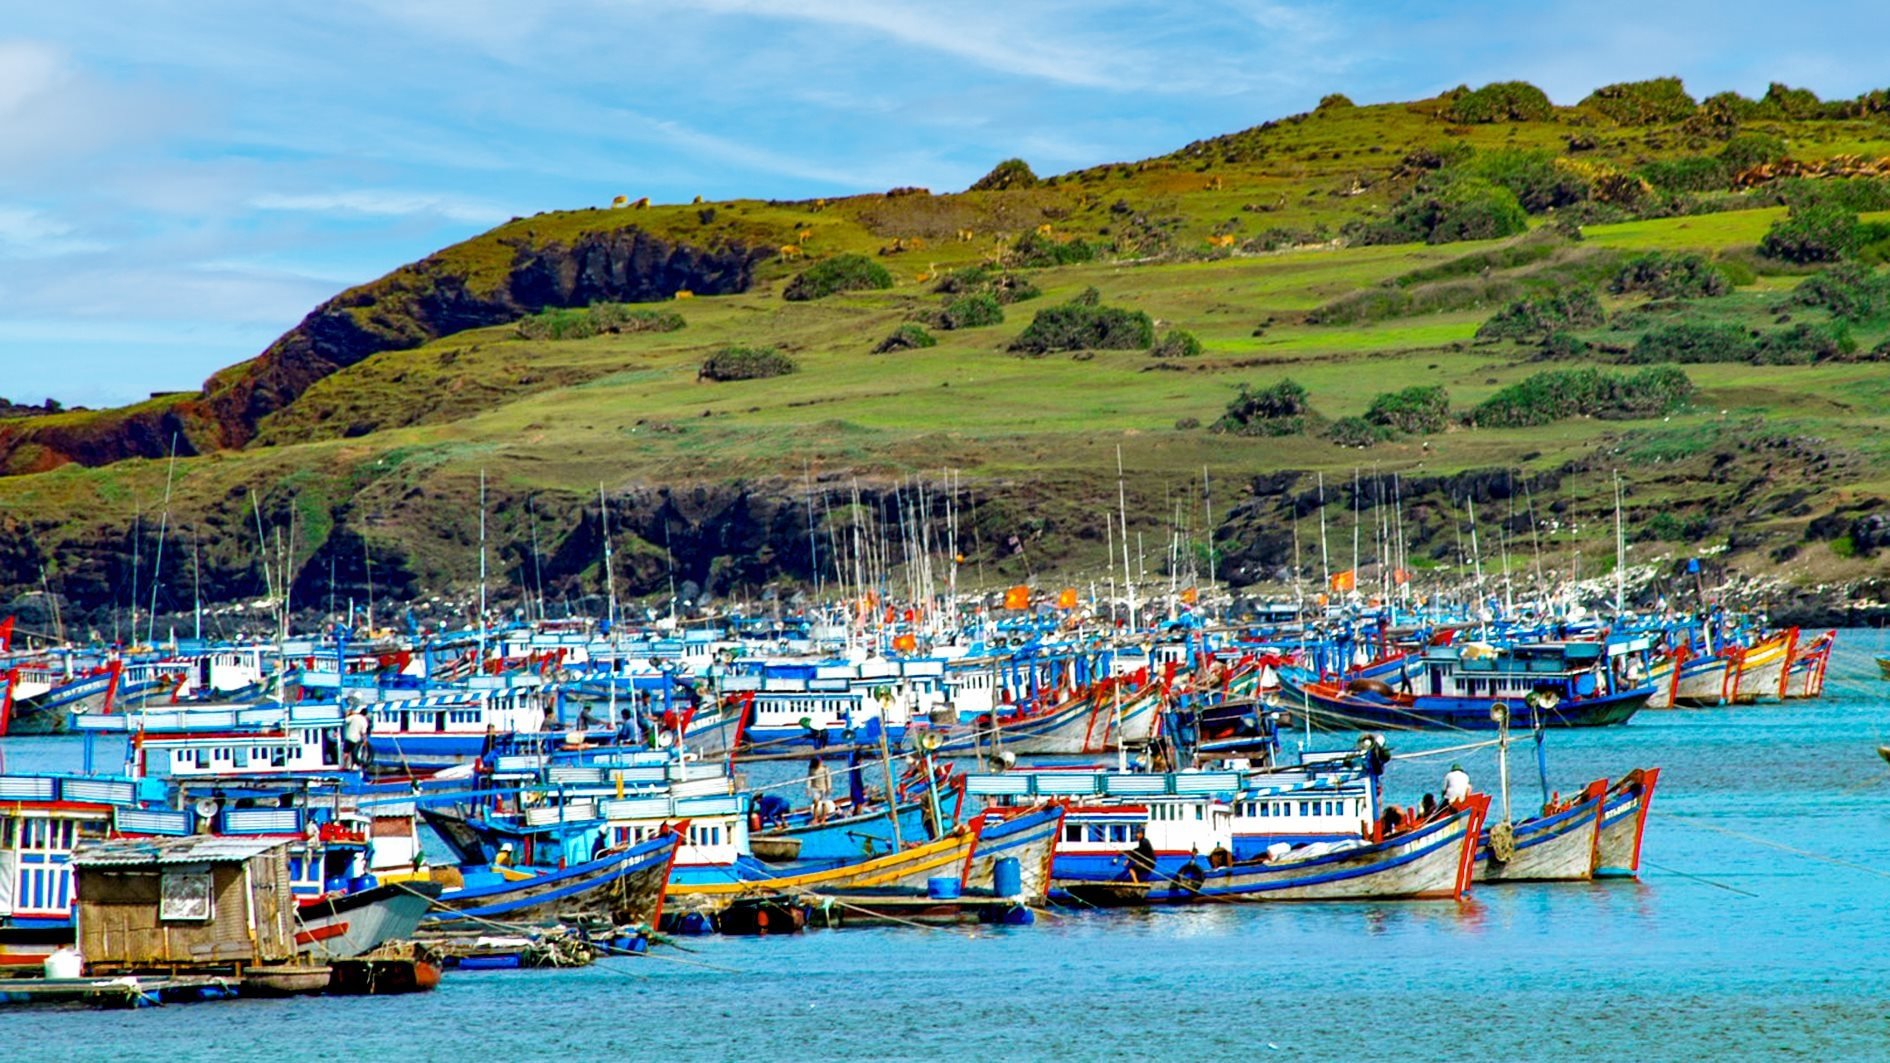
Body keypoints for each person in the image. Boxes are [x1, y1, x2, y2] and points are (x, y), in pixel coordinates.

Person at [807, 757, 833, 824]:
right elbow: (809, 779)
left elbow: (828, 778)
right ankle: (815, 819)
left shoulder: (824, 768)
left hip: (823, 788)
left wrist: (829, 787)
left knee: (824, 804)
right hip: (815, 788)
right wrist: (808, 788)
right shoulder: (811, 769)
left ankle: (823, 819)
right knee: (815, 803)